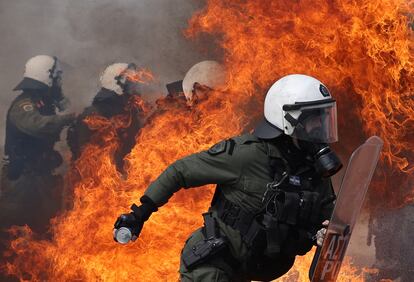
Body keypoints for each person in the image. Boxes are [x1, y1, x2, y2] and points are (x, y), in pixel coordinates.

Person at [114, 74, 341, 281]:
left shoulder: (314, 174)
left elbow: (327, 222)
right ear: (288, 120)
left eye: (324, 117)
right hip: (213, 265)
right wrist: (140, 214)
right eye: (314, 118)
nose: (320, 126)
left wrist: (321, 235)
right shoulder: (246, 154)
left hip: (250, 271)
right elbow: (180, 171)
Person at [0, 55, 75, 271]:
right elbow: (38, 125)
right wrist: (67, 118)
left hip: (38, 179)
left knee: (45, 230)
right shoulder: (24, 104)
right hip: (21, 182)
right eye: (57, 77)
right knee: (12, 233)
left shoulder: (43, 102)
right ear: (47, 77)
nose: (60, 82)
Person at [67, 63, 147, 175]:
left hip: (125, 177)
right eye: (131, 83)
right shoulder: (96, 116)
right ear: (118, 86)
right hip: (104, 181)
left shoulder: (125, 111)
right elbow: (89, 158)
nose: (136, 89)